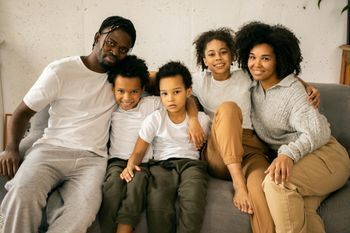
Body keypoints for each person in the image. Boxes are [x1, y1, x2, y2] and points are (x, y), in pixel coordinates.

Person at [0, 16, 137, 233]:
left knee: (82, 212)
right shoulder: (60, 70)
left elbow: (166, 81)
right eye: (110, 42)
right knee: (21, 192)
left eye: (122, 49)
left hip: (92, 160)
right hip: (51, 150)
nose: (114, 51)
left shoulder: (121, 79)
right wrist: (11, 148)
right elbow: (21, 113)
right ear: (97, 37)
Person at [191, 28, 320, 233]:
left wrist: (306, 85)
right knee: (228, 108)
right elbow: (164, 79)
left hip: (251, 150)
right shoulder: (198, 81)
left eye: (224, 52)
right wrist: (192, 118)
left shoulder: (246, 75)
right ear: (204, 59)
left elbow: (278, 75)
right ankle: (239, 185)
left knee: (263, 189)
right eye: (211, 54)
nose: (218, 58)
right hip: (218, 151)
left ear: (233, 55)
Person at [234, 21, 350, 233]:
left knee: (277, 183)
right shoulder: (251, 86)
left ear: (280, 60)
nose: (256, 64)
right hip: (303, 163)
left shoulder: (294, 92)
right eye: (252, 57)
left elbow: (318, 131)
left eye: (265, 58)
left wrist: (287, 154)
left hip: (327, 156)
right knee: (301, 212)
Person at [98, 55, 204, 233]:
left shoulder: (151, 104)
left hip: (143, 163)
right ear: (113, 90)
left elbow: (185, 99)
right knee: (112, 191)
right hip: (116, 161)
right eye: (121, 91)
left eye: (134, 91)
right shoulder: (110, 106)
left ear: (143, 89)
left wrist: (193, 119)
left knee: (136, 189)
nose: (127, 97)